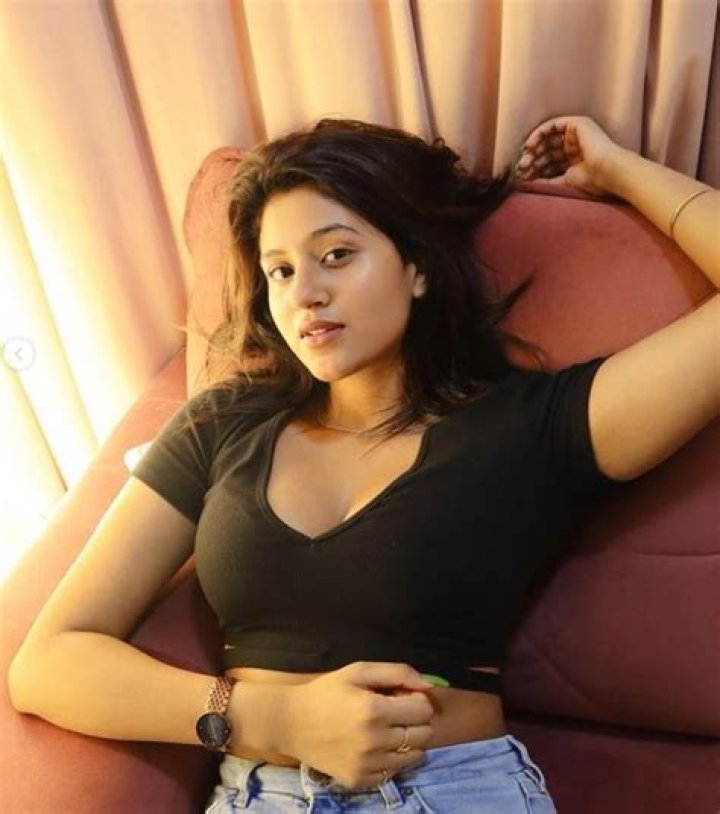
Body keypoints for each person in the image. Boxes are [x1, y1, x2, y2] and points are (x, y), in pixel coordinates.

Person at [8, 114, 718, 814]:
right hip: (256, 796)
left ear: (417, 267)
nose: (304, 293)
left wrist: (620, 169)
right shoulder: (222, 424)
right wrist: (272, 718)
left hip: (451, 791)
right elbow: (48, 661)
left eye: (337, 254)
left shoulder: (535, 426)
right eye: (280, 270)